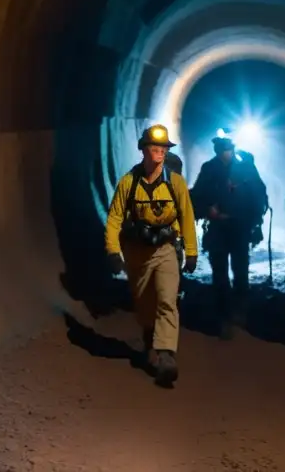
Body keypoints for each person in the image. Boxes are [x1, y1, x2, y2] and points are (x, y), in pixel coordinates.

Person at [105, 124, 198, 387]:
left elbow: (187, 217)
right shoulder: (128, 182)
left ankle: (167, 355)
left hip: (165, 249)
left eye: (163, 148)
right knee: (145, 303)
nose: (159, 152)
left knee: (167, 299)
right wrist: (113, 251)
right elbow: (114, 219)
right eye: (154, 148)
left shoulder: (175, 182)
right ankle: (149, 336)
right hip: (137, 252)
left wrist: (191, 252)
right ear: (143, 151)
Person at [191, 135, 268, 338]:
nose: (225, 152)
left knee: (241, 271)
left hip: (240, 226)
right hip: (217, 228)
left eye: (227, 148)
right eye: (221, 148)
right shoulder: (209, 169)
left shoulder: (245, 168)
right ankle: (224, 316)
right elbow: (197, 195)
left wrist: (255, 220)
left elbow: (259, 193)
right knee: (220, 274)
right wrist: (208, 210)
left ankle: (240, 311)